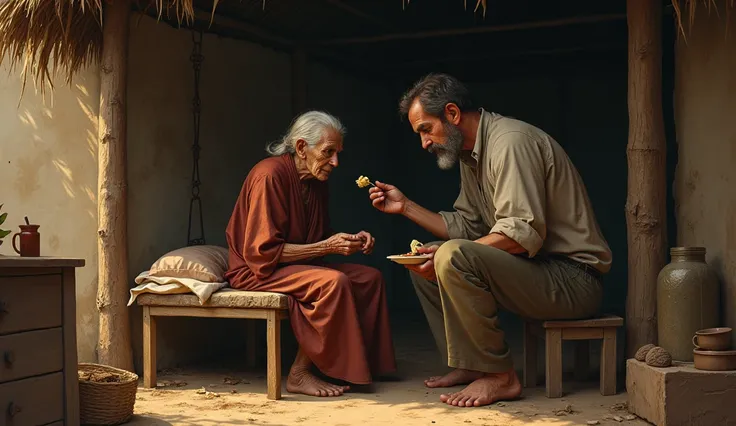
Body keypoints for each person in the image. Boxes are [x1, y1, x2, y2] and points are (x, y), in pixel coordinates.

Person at [368, 74, 612, 407]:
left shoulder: (509, 143)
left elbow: (521, 234)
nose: (424, 143)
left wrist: (448, 254)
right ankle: (470, 366)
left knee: (448, 257)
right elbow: (466, 226)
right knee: (423, 265)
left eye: (426, 129)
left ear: (452, 114)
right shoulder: (471, 155)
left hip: (574, 280)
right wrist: (406, 207)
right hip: (536, 272)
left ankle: (500, 377)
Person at [226, 111, 396, 398]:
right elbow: (262, 254)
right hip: (256, 271)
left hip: (298, 263)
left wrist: (352, 240)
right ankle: (300, 373)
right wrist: (327, 247)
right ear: (302, 147)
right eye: (328, 152)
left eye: (338, 153)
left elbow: (319, 236)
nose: (335, 162)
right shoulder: (270, 175)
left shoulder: (316, 181)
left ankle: (359, 366)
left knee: (369, 277)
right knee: (333, 282)